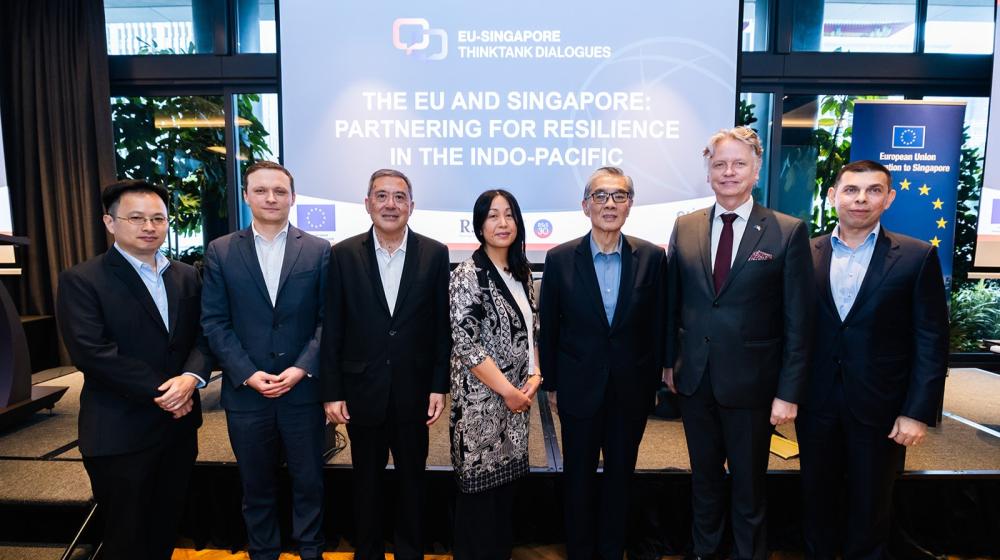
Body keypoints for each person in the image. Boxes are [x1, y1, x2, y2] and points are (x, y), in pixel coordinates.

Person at [664, 126, 812, 560]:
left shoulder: (787, 231)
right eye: (719, 164)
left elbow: (798, 321)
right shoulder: (685, 227)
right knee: (704, 483)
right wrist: (669, 363)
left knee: (749, 489)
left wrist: (788, 392)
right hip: (695, 381)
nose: (728, 172)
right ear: (708, 172)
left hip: (754, 386)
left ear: (756, 169)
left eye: (738, 163)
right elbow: (676, 304)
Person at [798, 160, 948, 560]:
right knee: (816, 506)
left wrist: (917, 412)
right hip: (816, 406)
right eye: (851, 190)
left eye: (873, 190)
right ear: (833, 197)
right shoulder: (804, 253)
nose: (861, 199)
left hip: (881, 410)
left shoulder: (916, 257)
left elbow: (931, 340)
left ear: (889, 198)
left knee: (871, 511)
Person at [56, 179, 212, 560]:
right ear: (110, 223)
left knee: (165, 527)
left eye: (158, 218)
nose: (149, 226)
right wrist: (168, 392)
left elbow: (205, 337)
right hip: (119, 431)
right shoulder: (82, 280)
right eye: (137, 218)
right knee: (125, 537)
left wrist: (191, 378)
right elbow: (93, 353)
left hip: (177, 430)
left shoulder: (186, 275)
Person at [321, 168, 450, 560]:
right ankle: (369, 553)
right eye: (381, 196)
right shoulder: (343, 254)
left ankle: (410, 551)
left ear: (412, 205)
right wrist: (332, 392)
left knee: (414, 481)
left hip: (415, 392)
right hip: (363, 392)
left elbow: (441, 327)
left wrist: (438, 384)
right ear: (367, 203)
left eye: (399, 197)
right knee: (366, 484)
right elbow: (333, 327)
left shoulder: (435, 252)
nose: (390, 204)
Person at [201, 161, 328, 560]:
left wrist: (302, 366)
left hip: (302, 390)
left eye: (280, 191)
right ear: (246, 196)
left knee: (309, 482)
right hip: (247, 393)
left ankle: (311, 550)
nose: (271, 198)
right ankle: (263, 552)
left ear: (293, 197)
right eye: (261, 190)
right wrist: (247, 373)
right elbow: (215, 322)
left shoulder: (319, 250)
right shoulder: (221, 251)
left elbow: (329, 320)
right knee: (256, 485)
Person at [539, 166, 668, 560]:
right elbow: (550, 330)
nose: (609, 204)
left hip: (631, 391)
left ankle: (612, 551)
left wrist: (655, 383)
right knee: (577, 479)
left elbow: (659, 324)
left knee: (619, 479)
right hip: (578, 390)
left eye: (619, 196)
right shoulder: (560, 258)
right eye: (600, 196)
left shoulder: (652, 257)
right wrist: (553, 387)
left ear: (630, 204)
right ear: (585, 205)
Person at [449, 189, 541, 560]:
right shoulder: (467, 275)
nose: (502, 223)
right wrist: (508, 392)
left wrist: (535, 375)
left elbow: (532, 331)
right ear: (479, 225)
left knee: (505, 495)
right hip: (480, 408)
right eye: (492, 216)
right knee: (479, 500)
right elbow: (466, 344)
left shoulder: (522, 272)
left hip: (518, 402)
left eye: (508, 215)